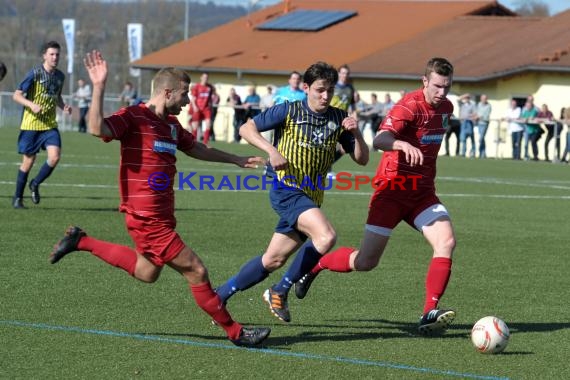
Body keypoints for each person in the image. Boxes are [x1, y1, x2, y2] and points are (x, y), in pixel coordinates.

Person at [49, 50, 270, 347]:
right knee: (197, 270)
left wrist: (235, 160)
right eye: (184, 95)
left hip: (163, 217)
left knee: (147, 271)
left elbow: (197, 149)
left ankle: (81, 240)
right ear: (167, 92)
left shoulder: (170, 125)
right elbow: (95, 128)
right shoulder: (133, 117)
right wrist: (99, 86)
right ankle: (236, 332)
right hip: (146, 218)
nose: (188, 101)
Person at [294, 57, 457, 336]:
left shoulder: (447, 107)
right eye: (437, 86)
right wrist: (402, 143)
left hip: (422, 194)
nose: (442, 92)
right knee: (366, 262)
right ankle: (316, 266)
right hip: (392, 191)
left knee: (447, 241)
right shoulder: (408, 105)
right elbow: (381, 139)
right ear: (425, 81)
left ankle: (429, 311)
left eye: (447, 86)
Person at [214, 61, 369, 323]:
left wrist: (357, 133)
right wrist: (271, 151)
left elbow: (362, 159)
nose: (325, 96)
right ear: (306, 87)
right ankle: (280, 290)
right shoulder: (289, 110)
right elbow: (246, 128)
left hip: (310, 196)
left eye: (330, 91)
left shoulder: (338, 118)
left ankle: (218, 297)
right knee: (326, 236)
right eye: (320, 90)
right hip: (286, 188)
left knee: (273, 260)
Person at [11, 41, 72, 209]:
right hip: (31, 124)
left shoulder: (60, 76)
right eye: (51, 54)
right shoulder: (35, 73)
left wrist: (64, 106)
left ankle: (35, 183)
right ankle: (17, 199)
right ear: (44, 55)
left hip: (49, 125)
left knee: (55, 156)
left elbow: (56, 96)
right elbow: (16, 95)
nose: (55, 57)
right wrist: (31, 105)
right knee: (28, 162)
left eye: (57, 54)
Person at [189, 72, 214, 145]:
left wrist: (211, 107)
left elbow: (210, 99)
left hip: (206, 108)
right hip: (197, 108)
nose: (205, 79)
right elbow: (193, 98)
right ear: (201, 78)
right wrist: (194, 107)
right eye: (204, 77)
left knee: (208, 124)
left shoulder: (209, 87)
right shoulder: (196, 86)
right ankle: (193, 142)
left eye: (207, 78)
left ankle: (205, 142)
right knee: (195, 125)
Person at [458, 93, 476, 158]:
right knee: (463, 138)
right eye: (466, 98)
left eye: (468, 98)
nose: (467, 99)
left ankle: (473, 152)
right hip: (463, 123)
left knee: (471, 137)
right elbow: (458, 99)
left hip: (469, 123)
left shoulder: (472, 105)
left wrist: (471, 116)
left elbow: (474, 113)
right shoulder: (462, 104)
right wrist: (465, 95)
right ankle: (463, 153)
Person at [475, 94, 491, 158]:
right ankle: (483, 153)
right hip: (479, 123)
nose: (483, 100)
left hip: (485, 123)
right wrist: (475, 116)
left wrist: (478, 117)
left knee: (481, 138)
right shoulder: (479, 104)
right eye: (482, 98)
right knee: (482, 139)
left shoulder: (489, 106)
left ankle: (481, 153)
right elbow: (477, 112)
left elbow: (485, 115)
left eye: (484, 98)